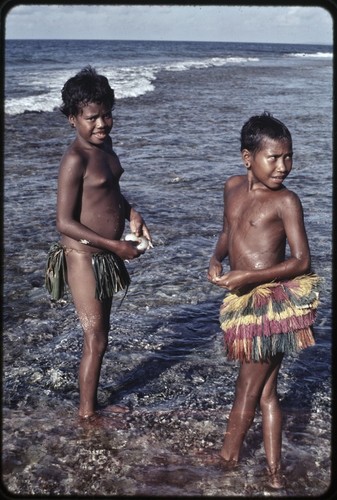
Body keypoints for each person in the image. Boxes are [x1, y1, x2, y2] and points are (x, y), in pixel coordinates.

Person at [207, 112, 320, 489]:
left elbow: (302, 260)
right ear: (247, 157)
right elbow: (228, 229)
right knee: (267, 393)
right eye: (274, 157)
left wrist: (248, 277)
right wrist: (216, 257)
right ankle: (274, 473)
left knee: (247, 389)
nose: (283, 166)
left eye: (288, 157)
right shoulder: (232, 187)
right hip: (244, 299)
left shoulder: (286, 201)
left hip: (272, 304)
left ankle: (226, 462)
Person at [45, 66, 152, 421]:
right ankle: (87, 414)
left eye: (107, 115)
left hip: (105, 254)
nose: (102, 124)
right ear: (72, 119)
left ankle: (90, 407)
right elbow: (64, 222)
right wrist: (115, 245)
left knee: (102, 336)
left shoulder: (104, 146)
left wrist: (132, 213)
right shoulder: (75, 159)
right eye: (92, 118)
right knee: (96, 338)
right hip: (83, 257)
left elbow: (111, 191)